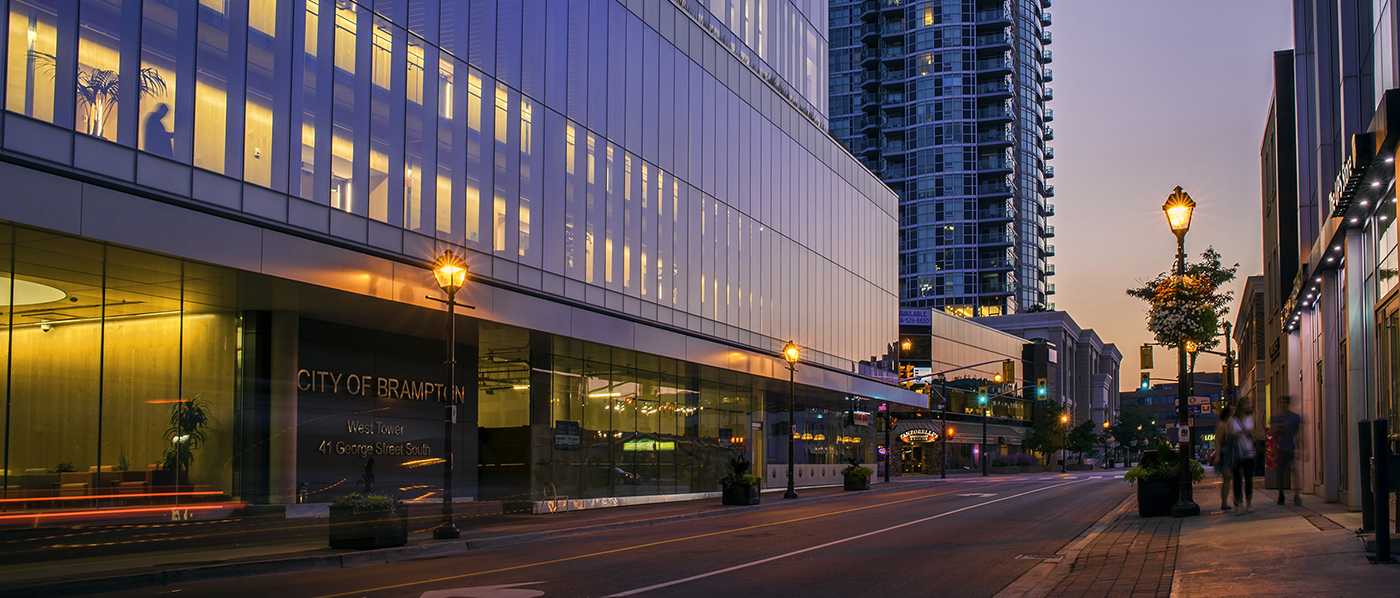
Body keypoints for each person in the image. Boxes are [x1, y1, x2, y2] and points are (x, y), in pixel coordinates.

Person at [1230, 398, 1262, 514]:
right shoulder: (1233, 419)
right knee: (1237, 479)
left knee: (1249, 478)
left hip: (1249, 452)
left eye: (1250, 403)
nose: (1250, 405)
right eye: (1247, 403)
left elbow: (1251, 431)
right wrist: (1240, 432)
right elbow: (1231, 433)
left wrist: (1246, 432)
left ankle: (1248, 503)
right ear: (1241, 405)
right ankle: (1239, 505)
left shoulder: (1250, 418)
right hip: (1237, 453)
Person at [1270, 395, 1303, 506]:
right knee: (1280, 473)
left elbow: (1298, 433)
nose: (1283, 404)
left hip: (1291, 447)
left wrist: (1300, 447)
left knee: (1294, 470)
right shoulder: (1276, 417)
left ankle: (1297, 495)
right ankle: (1281, 494)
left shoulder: (1294, 417)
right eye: (1282, 402)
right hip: (1279, 448)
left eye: (1285, 402)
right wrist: (1278, 427)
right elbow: (1270, 433)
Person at [1211, 404, 1235, 512]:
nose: (1235, 410)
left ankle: (1235, 499)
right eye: (1232, 409)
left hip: (1232, 454)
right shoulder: (1223, 425)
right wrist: (1217, 456)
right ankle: (1224, 502)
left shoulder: (1232, 424)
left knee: (1233, 477)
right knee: (1227, 478)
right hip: (1225, 455)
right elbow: (1217, 440)